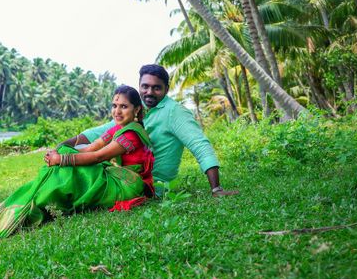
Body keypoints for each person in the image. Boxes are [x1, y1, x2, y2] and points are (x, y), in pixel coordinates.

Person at [0, 86, 154, 237]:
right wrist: (60, 154)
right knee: (65, 154)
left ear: (137, 109)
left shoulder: (131, 134)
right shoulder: (118, 128)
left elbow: (98, 157)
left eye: (123, 107)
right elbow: (91, 148)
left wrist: (61, 160)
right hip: (115, 175)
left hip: (126, 185)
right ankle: (24, 203)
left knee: (75, 171)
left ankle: (28, 208)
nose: (117, 111)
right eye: (114, 106)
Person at [62, 64, 237, 197]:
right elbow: (102, 131)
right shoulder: (137, 110)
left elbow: (200, 145)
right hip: (127, 176)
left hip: (150, 186)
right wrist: (64, 145)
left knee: (80, 167)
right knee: (73, 155)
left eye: (156, 88)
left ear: (166, 89)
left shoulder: (175, 112)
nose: (149, 92)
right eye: (145, 86)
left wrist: (216, 188)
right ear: (139, 86)